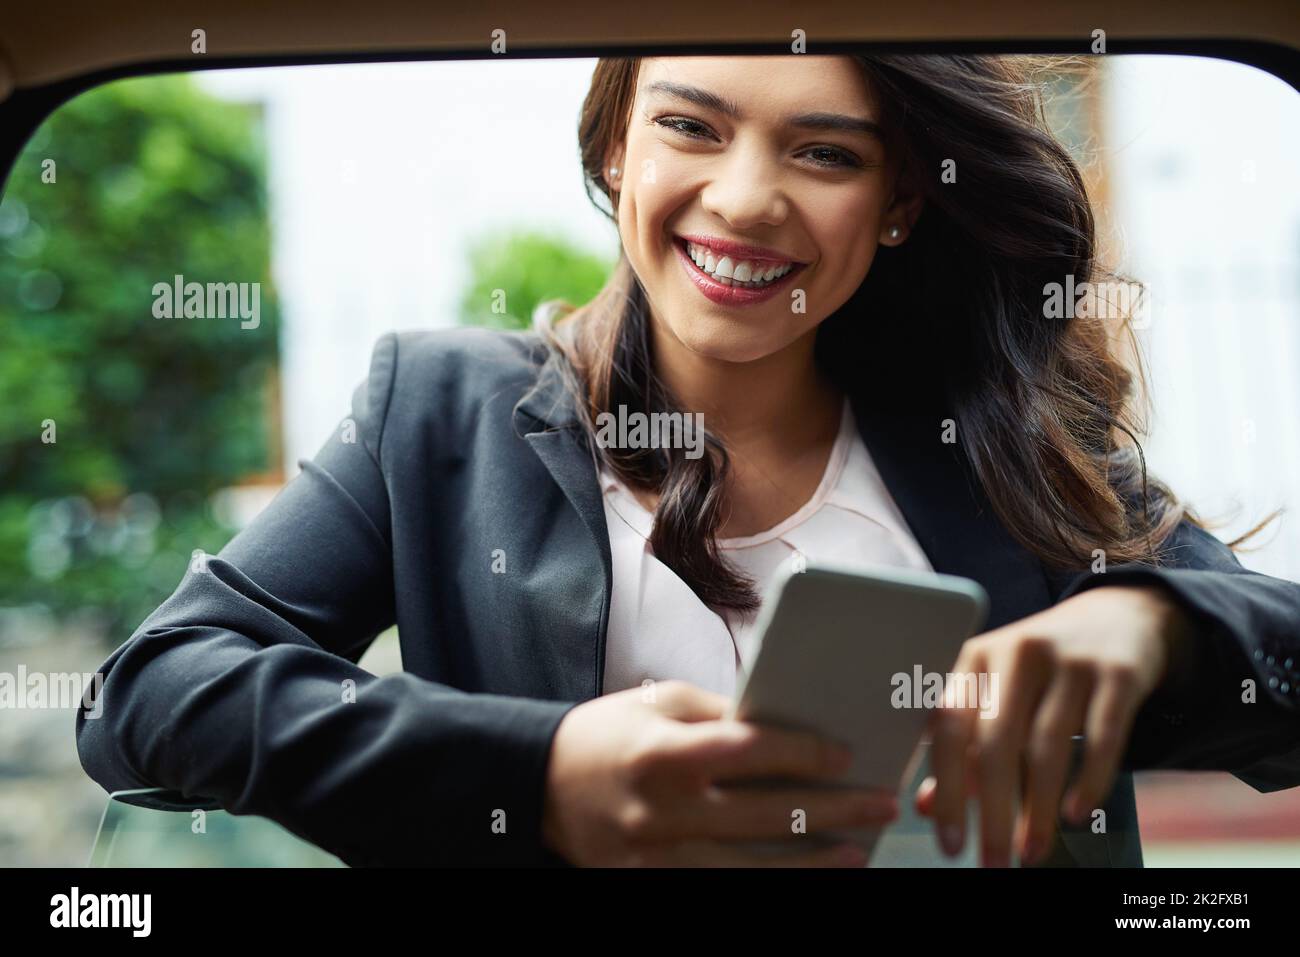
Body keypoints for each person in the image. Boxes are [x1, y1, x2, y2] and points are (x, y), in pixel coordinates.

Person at [77, 54, 1300, 868]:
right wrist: (539, 770)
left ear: (899, 203)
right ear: (616, 147)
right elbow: (149, 699)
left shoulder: (1001, 438)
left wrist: (1156, 626)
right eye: (688, 127)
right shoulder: (439, 412)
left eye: (826, 153)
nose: (748, 197)